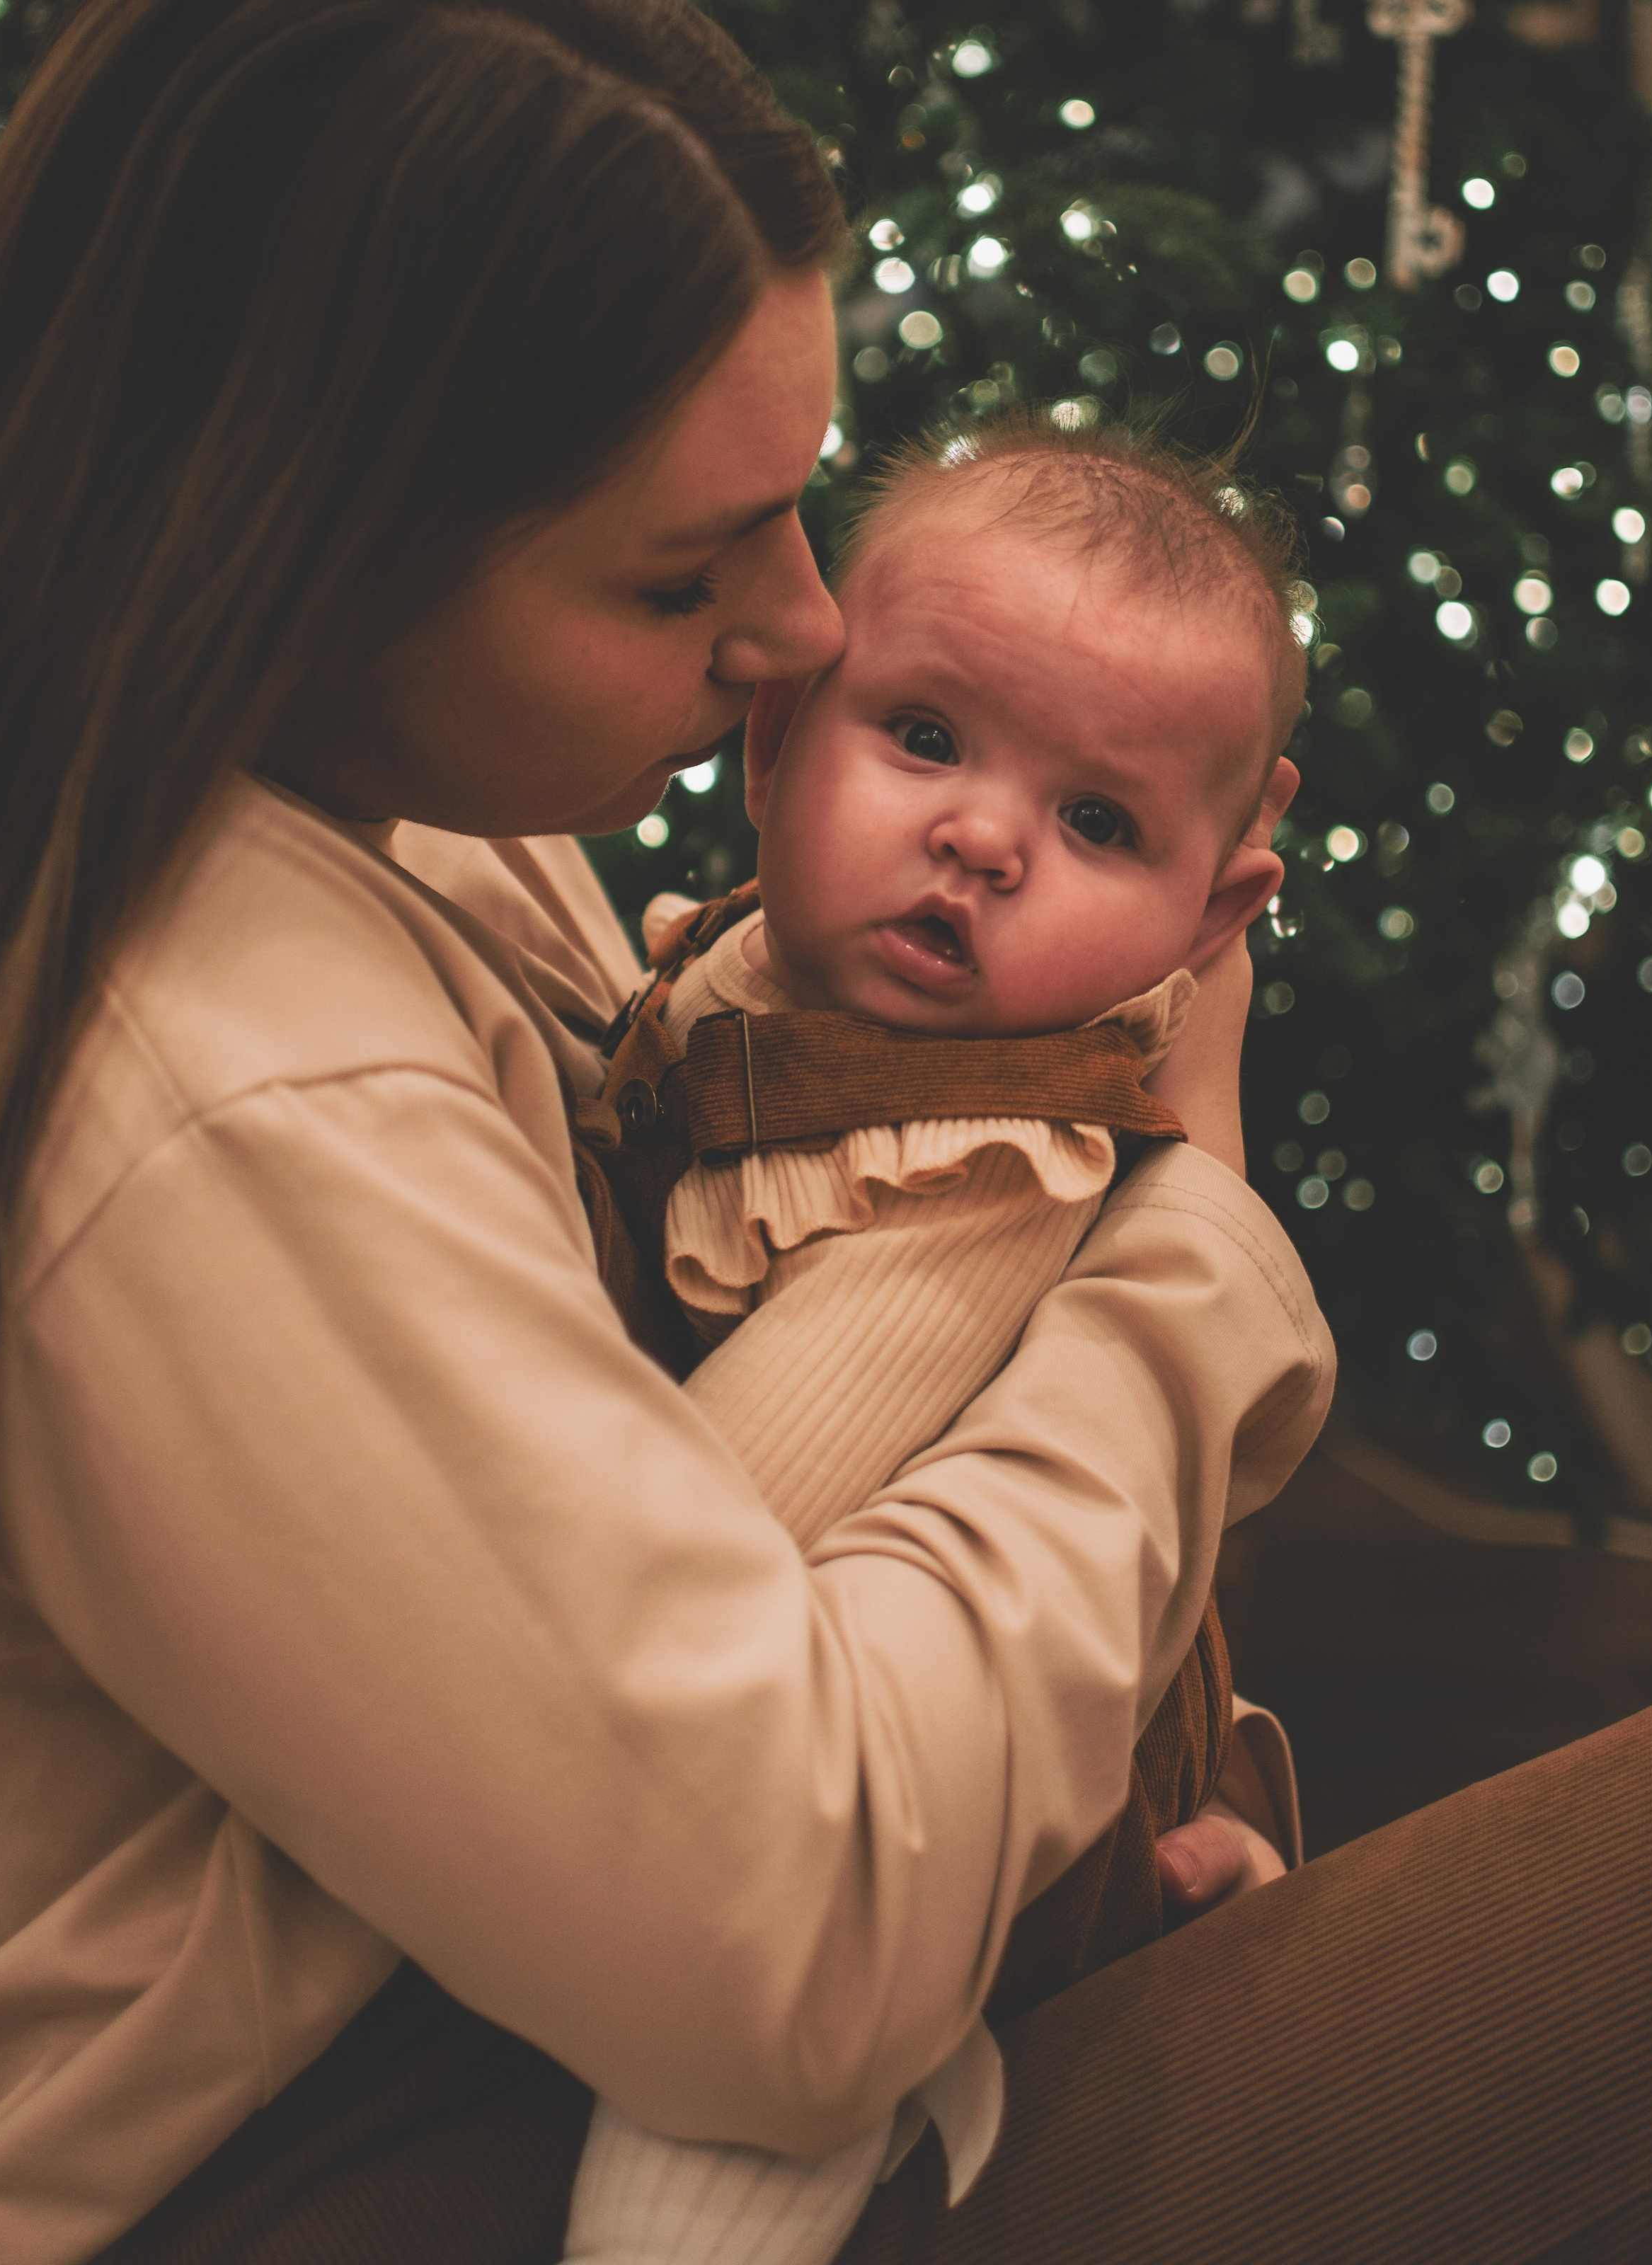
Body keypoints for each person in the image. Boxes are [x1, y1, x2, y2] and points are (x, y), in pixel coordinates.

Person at [0, 0, 1652, 2265]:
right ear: (313, 545)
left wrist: (1087, 1837)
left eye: (800, 508)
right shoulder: (217, 1088)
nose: (798, 630)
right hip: (400, 2159)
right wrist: (1190, 1255)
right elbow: (791, 1954)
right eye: (683, 575)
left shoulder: (394, 826)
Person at [562, 414, 1312, 2265]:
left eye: (1100, 823)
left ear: (1209, 921)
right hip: (849, 1760)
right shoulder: (721, 975)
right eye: (925, 738)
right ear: (773, 731)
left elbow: (726, 1522)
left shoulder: (995, 1165)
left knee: (712, 2135)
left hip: (961, 1860)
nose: (980, 839)